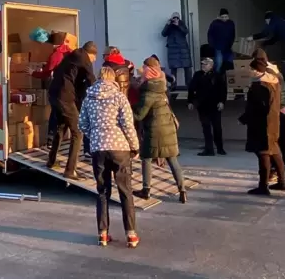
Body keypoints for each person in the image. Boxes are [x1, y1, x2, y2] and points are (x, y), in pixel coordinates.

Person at [79, 66, 140, 248]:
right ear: (113, 79)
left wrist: (95, 135)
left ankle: (103, 234)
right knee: (125, 192)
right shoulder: (119, 96)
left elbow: (82, 123)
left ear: (98, 78)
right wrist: (134, 146)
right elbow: (128, 124)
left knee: (103, 192)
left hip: (98, 148)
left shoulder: (88, 98)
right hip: (119, 148)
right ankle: (131, 234)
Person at [132, 57, 187, 204]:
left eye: (143, 70)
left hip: (154, 130)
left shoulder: (148, 90)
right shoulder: (162, 87)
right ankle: (182, 190)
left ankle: (146, 190)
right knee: (172, 159)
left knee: (147, 159)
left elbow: (139, 115)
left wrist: (127, 109)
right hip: (168, 127)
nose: (142, 72)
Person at [47, 41, 98, 180]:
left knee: (61, 126)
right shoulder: (85, 59)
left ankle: (51, 160)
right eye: (94, 58)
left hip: (54, 94)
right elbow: (91, 80)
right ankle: (70, 170)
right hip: (65, 97)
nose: (93, 61)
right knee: (78, 132)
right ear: (91, 54)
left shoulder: (71, 56)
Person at [238, 56, 285, 195]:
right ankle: (282, 182)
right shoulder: (274, 82)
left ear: (256, 71)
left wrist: (243, 119)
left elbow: (256, 108)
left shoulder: (259, 86)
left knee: (263, 154)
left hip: (261, 125)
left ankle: (263, 186)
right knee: (275, 152)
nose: (248, 70)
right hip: (273, 123)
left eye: (250, 68)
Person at [31, 31, 73, 147]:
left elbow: (48, 72)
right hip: (69, 89)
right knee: (65, 113)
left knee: (55, 113)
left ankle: (51, 139)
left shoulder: (56, 54)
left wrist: (33, 73)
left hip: (58, 88)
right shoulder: (70, 53)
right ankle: (63, 138)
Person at [187, 57, 227, 156]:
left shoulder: (217, 76)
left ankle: (220, 147)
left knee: (217, 127)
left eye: (206, 64)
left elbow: (223, 90)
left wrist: (222, 102)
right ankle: (209, 149)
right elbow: (191, 89)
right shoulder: (197, 75)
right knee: (206, 127)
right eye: (202, 64)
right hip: (202, 106)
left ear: (211, 66)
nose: (203, 66)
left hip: (215, 105)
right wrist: (190, 102)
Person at [161, 12, 192, 88]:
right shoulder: (169, 25)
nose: (175, 19)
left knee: (187, 67)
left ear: (179, 18)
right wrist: (167, 25)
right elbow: (163, 34)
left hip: (183, 49)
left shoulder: (181, 24)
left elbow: (185, 32)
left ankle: (189, 85)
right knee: (173, 68)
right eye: (174, 18)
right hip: (173, 49)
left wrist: (178, 25)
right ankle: (173, 85)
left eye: (177, 18)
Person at [207, 8, 236, 73]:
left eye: (226, 17)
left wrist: (231, 43)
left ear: (228, 16)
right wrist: (212, 44)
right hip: (218, 47)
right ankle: (215, 77)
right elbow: (210, 34)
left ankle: (226, 78)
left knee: (230, 63)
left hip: (228, 47)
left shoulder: (231, 23)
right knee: (219, 63)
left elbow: (233, 34)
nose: (224, 18)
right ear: (220, 17)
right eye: (223, 17)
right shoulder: (215, 23)